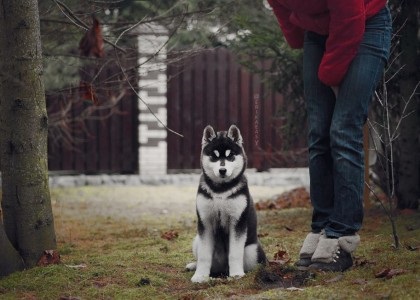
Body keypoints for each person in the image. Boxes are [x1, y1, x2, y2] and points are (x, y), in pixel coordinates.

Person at [267, 0, 392, 271]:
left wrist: (330, 71)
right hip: (318, 33)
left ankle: (343, 235)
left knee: (343, 129)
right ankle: (322, 225)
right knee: (319, 133)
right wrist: (297, 36)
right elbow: (281, 8)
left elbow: (349, 19)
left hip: (365, 23)